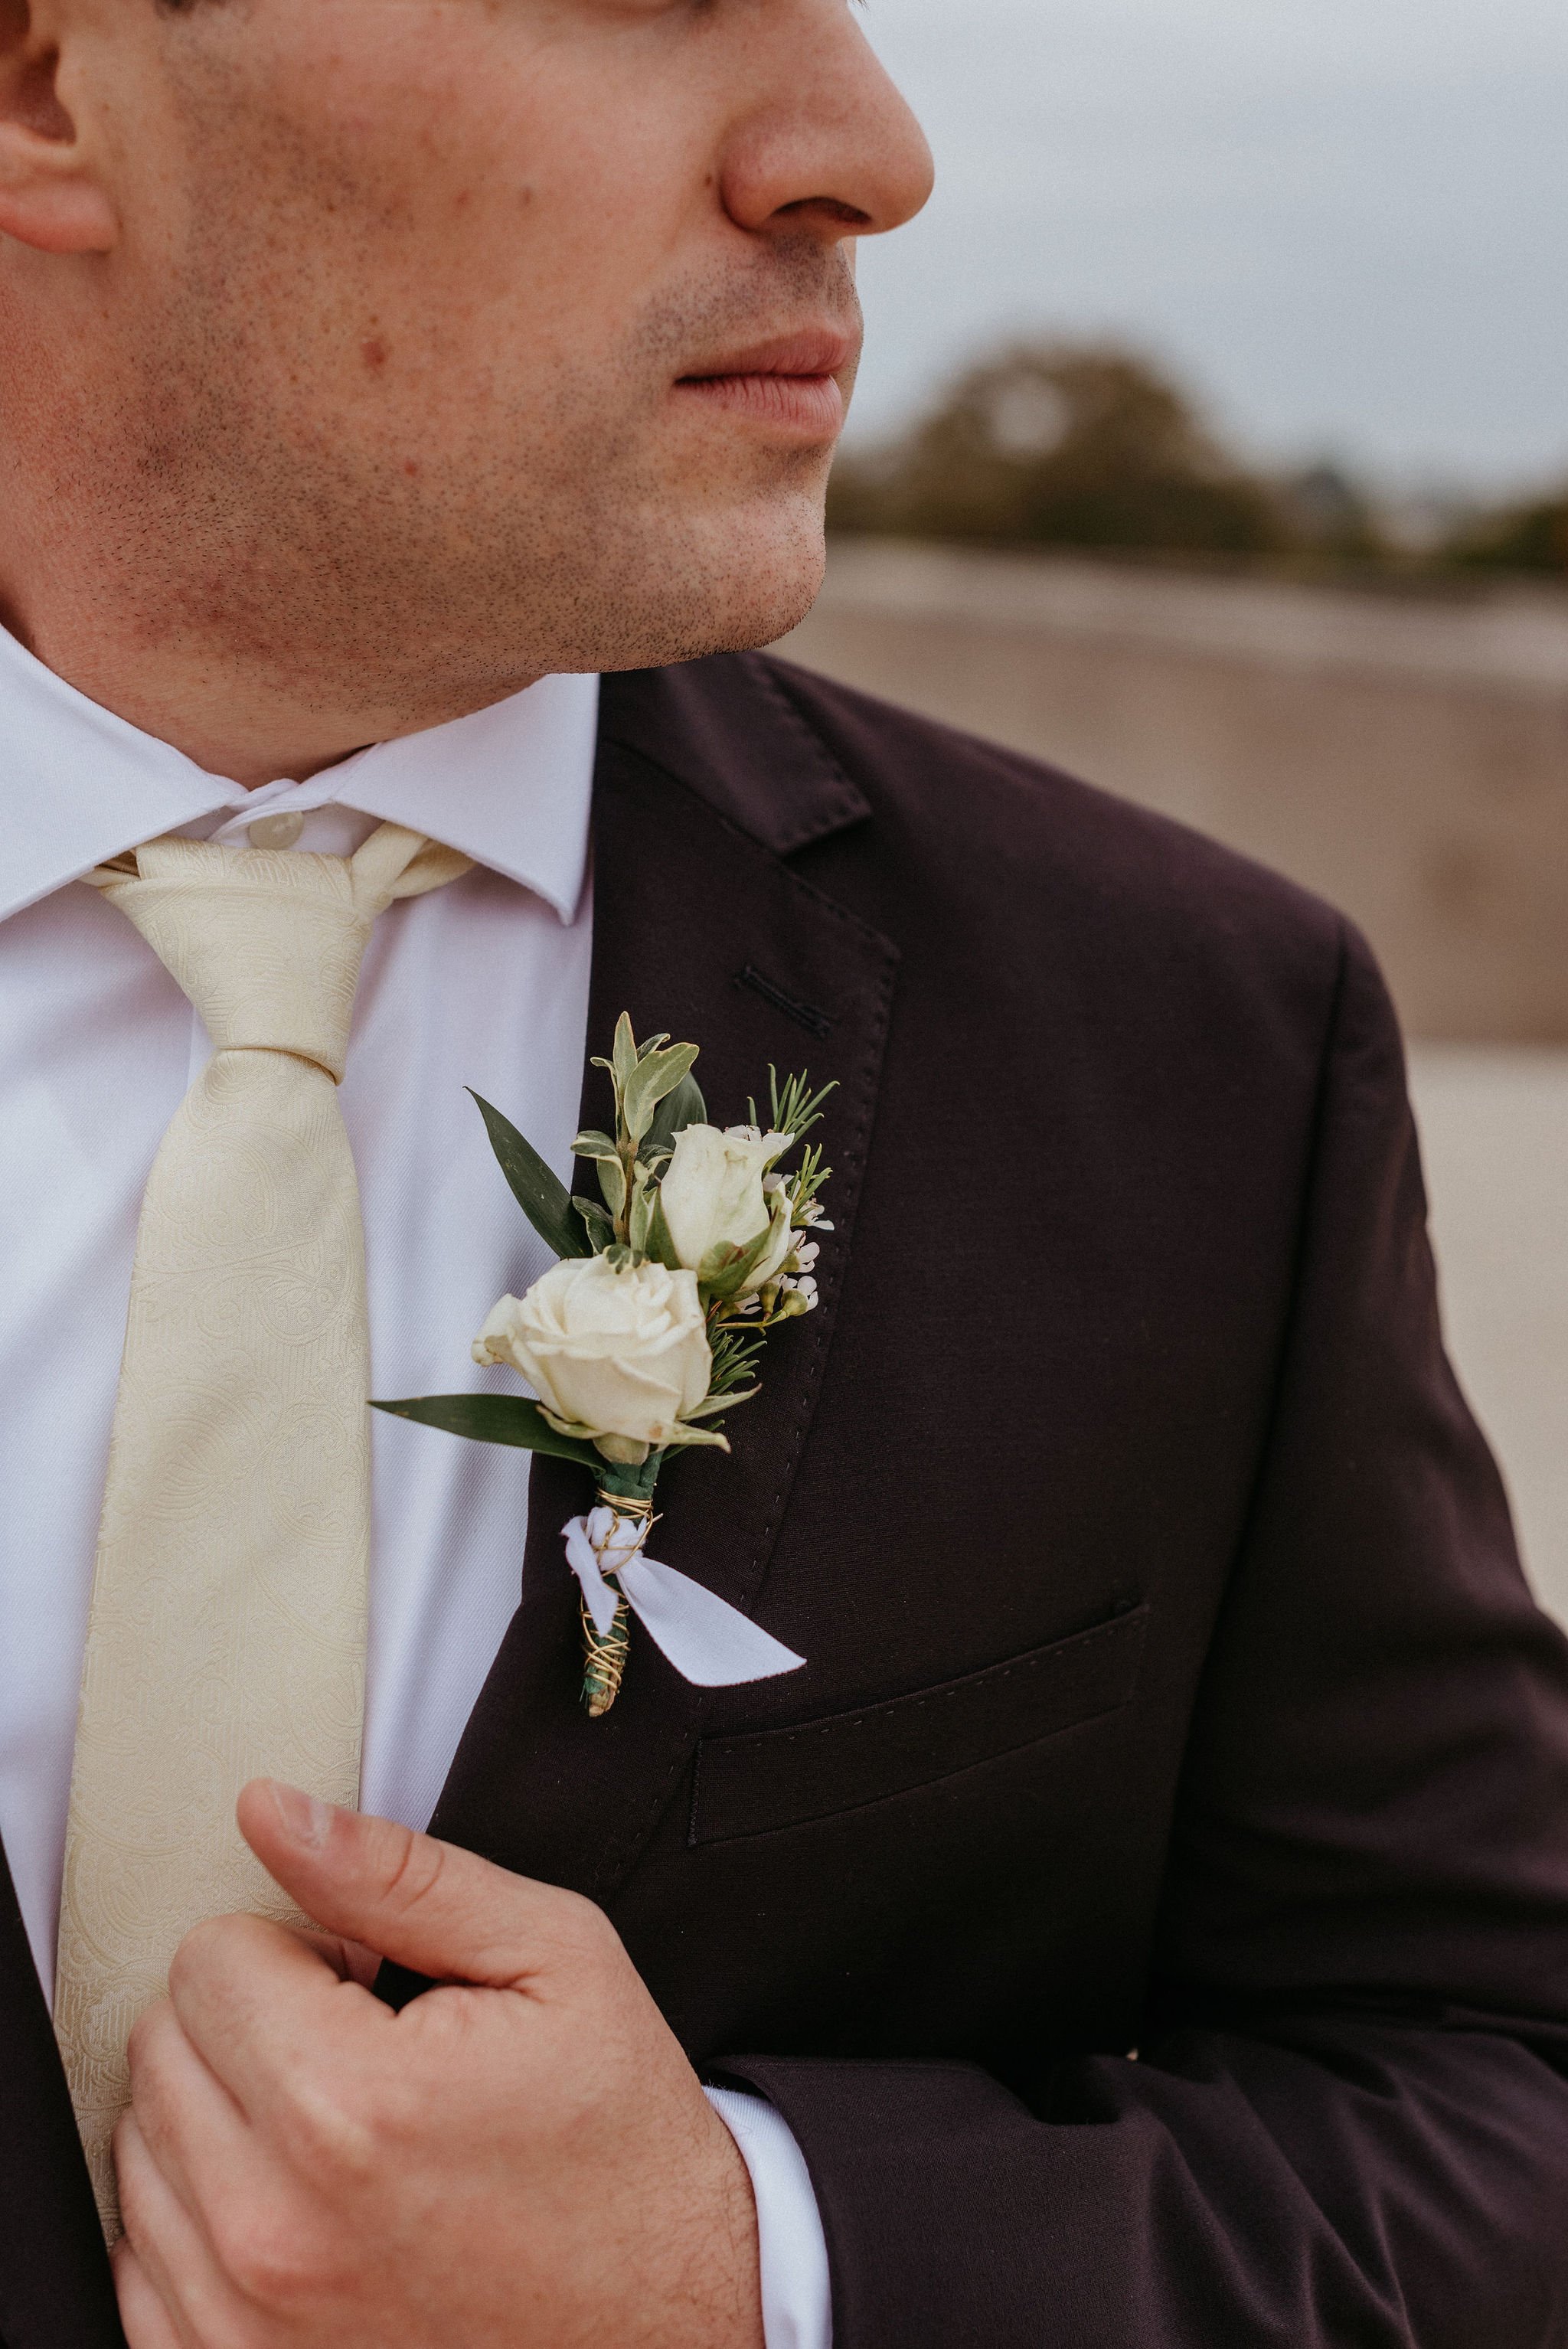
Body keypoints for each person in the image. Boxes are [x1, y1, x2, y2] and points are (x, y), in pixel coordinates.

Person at [2, 3, 1566, 2345]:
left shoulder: (1191, 1043)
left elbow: (1501, 2094)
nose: (871, 150)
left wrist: (761, 2265)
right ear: (51, 86)